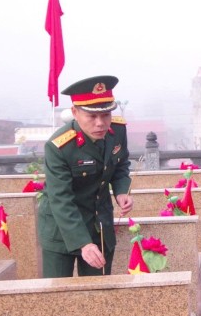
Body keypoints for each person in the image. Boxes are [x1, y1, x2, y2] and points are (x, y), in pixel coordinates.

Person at [39, 76, 133, 277]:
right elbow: (61, 199)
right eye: (92, 116)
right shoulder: (59, 146)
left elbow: (120, 164)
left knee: (98, 290)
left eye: (106, 115)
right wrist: (83, 243)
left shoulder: (117, 131)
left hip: (99, 223)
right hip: (61, 228)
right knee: (57, 291)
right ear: (75, 112)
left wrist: (121, 191)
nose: (100, 123)